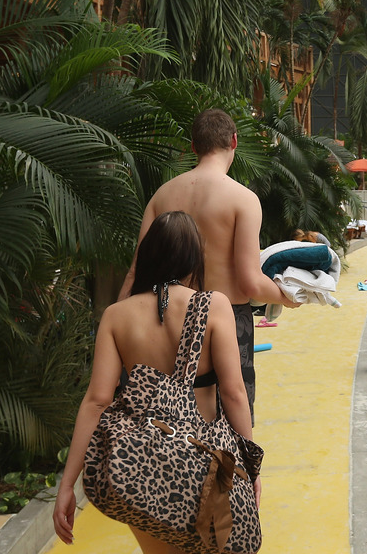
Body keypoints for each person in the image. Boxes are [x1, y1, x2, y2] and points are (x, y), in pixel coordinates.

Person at [54, 212, 257, 551]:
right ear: (194, 257)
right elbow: (234, 393)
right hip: (206, 462)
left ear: (147, 256)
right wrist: (249, 468)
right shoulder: (213, 305)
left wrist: (67, 486)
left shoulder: (116, 316)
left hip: (144, 466)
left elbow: (97, 401)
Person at [119, 108, 297, 419]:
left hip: (163, 318)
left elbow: (136, 271)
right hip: (225, 319)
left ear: (193, 146)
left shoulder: (161, 196)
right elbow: (250, 282)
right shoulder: (242, 199)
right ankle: (238, 469)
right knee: (229, 417)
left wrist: (118, 324)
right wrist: (289, 296)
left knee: (166, 422)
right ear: (234, 141)